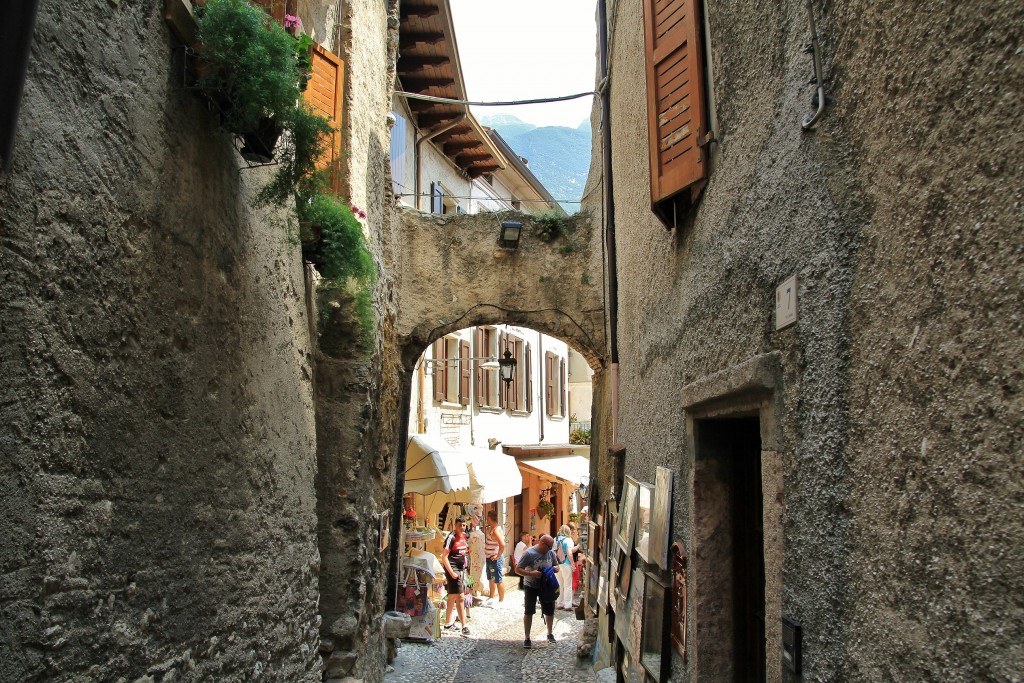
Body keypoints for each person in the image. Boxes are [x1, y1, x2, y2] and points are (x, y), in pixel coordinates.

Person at [515, 534, 558, 648]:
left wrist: (555, 568)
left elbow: (556, 565)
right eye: (549, 546)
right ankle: (527, 638)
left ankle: (549, 633)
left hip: (546, 585)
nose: (550, 549)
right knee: (529, 611)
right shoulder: (529, 553)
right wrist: (531, 573)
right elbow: (517, 569)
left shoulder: (551, 553)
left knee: (549, 609)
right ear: (542, 543)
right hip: (531, 585)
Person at [441, 516, 471, 636]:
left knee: (452, 596)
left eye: (464, 525)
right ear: (455, 525)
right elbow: (444, 557)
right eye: (460, 525)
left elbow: (465, 553)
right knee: (461, 597)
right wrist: (451, 572)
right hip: (453, 569)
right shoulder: (451, 537)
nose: (462, 528)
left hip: (461, 570)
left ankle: (448, 623)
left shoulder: (464, 536)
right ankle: (464, 625)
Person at [484, 510, 507, 603]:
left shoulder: (495, 530)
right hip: (489, 557)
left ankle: (501, 600)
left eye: (487, 518)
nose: (486, 520)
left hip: (494, 558)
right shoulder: (492, 528)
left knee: (497, 579)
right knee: (491, 578)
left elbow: (502, 544)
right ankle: (491, 596)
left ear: (490, 519)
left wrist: (498, 555)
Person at [553, 524, 576, 610]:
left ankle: (559, 603)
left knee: (559, 584)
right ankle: (567, 605)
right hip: (566, 563)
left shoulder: (555, 539)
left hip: (557, 564)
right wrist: (573, 564)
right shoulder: (568, 540)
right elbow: (569, 553)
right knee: (567, 584)